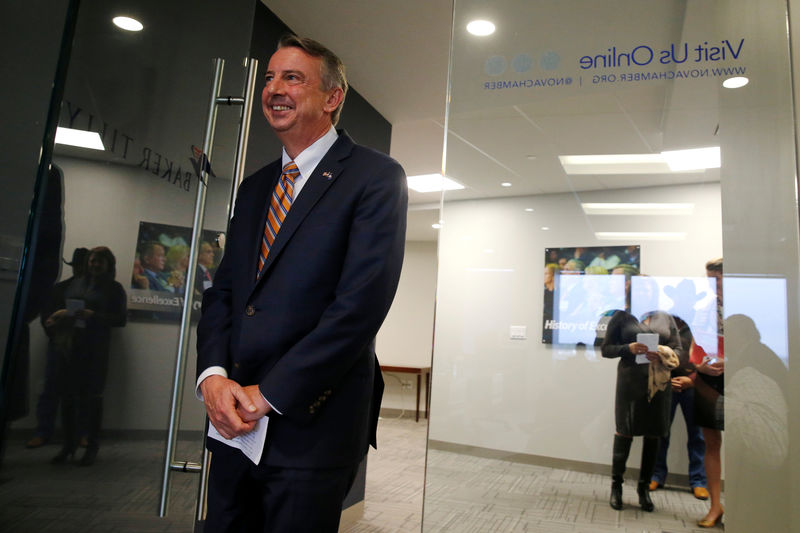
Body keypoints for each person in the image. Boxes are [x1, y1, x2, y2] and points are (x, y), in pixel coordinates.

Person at [195, 34, 407, 532]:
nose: (273, 89)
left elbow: (358, 308)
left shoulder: (376, 178)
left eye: (292, 77)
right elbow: (224, 292)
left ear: (332, 98)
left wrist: (267, 395)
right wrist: (213, 378)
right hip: (233, 425)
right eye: (269, 78)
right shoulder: (254, 188)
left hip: (311, 425)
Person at [48, 246, 127, 466]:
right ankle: (68, 445)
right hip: (70, 346)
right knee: (68, 399)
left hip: (95, 350)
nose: (95, 265)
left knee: (92, 400)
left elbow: (120, 319)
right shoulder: (76, 283)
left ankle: (91, 446)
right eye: (92, 260)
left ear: (108, 265)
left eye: (100, 261)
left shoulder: (114, 289)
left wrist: (94, 316)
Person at [602, 308, 682, 512]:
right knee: (624, 431)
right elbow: (606, 349)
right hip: (630, 384)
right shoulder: (621, 317)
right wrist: (628, 348)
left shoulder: (665, 317)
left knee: (653, 435)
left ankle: (643, 489)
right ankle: (616, 487)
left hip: (659, 384)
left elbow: (680, 351)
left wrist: (663, 352)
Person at [673, 258, 725, 527]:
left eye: (717, 278)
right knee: (711, 443)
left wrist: (731, 362)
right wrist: (699, 368)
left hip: (741, 379)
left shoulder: (749, 305)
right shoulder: (705, 309)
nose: (714, 284)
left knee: (746, 445)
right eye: (710, 279)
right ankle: (716, 506)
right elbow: (696, 346)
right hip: (708, 380)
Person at [648, 280, 708, 500]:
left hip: (694, 382)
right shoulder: (666, 321)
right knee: (661, 431)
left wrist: (692, 378)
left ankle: (698, 480)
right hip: (667, 380)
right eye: (679, 297)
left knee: (697, 435)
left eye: (686, 297)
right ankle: (657, 474)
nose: (682, 301)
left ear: (692, 300)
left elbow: (708, 352)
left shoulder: (703, 321)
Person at [26, 247, 89, 449]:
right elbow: (47, 319)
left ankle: (78, 434)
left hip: (83, 348)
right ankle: (44, 432)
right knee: (50, 390)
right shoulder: (59, 289)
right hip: (59, 345)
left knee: (80, 393)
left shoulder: (93, 291)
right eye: (78, 266)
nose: (80, 269)